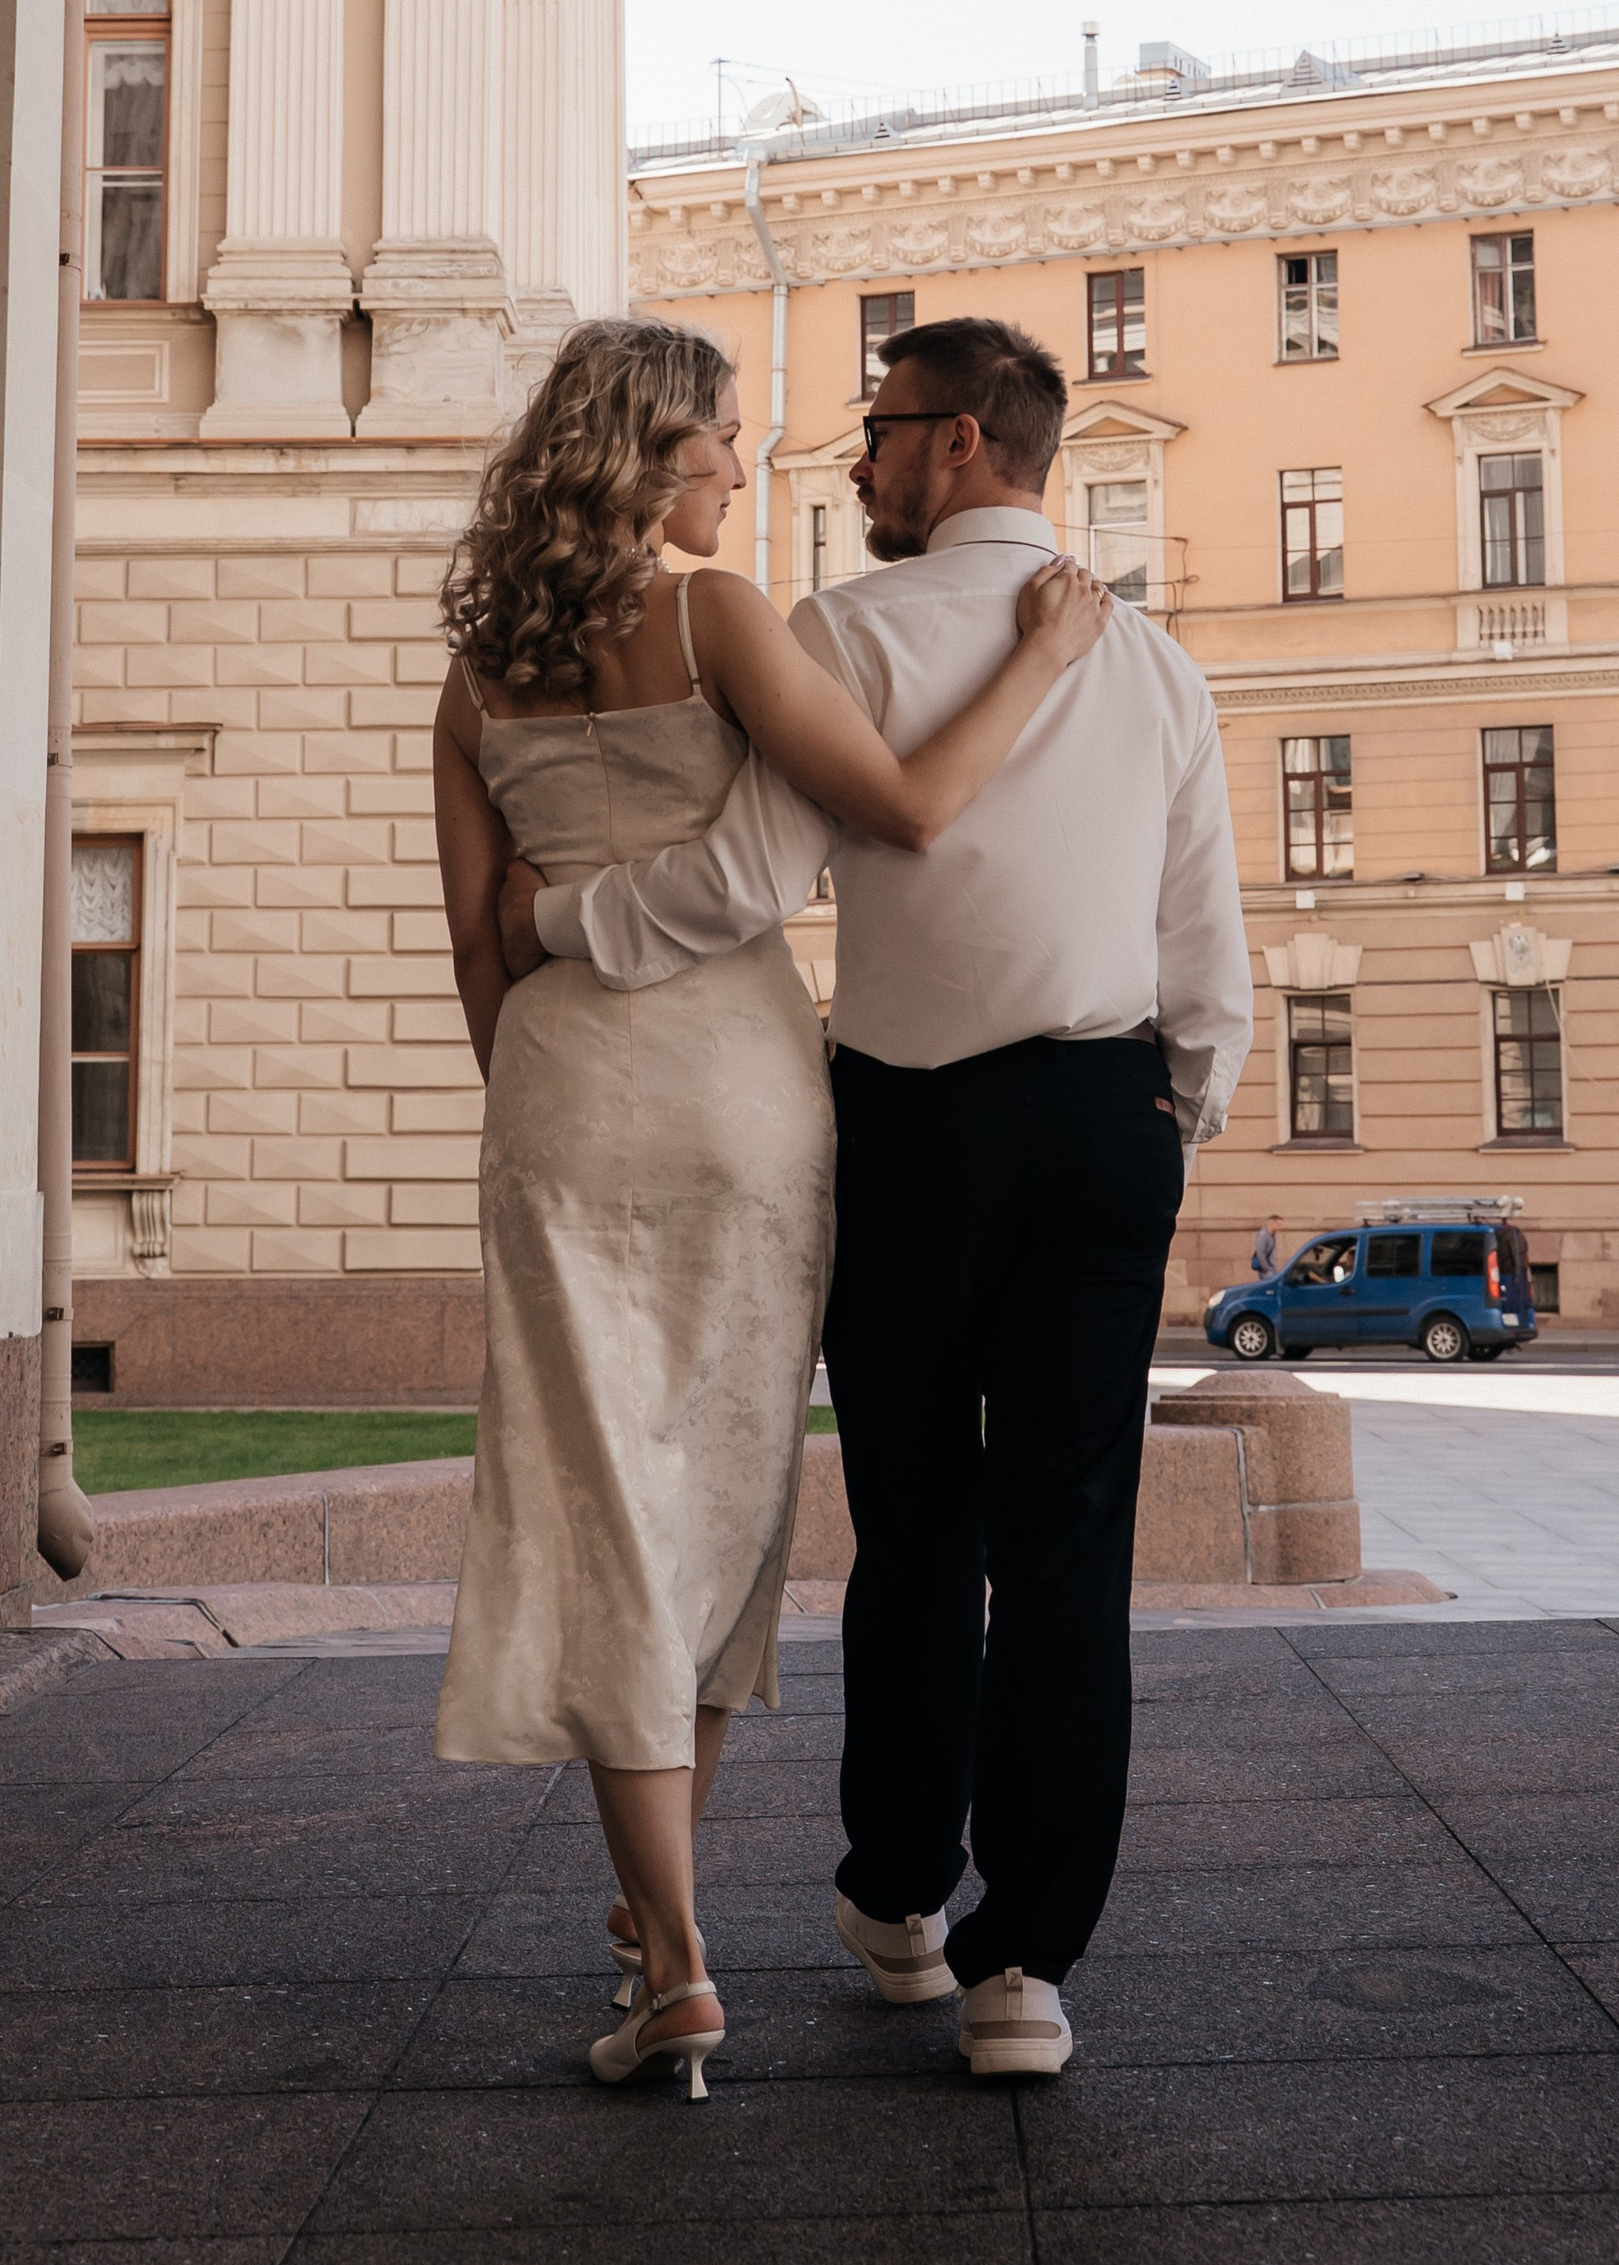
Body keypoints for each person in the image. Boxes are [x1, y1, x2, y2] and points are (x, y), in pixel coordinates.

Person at [501, 311, 1251, 2083]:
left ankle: (903, 1899)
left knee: (918, 1529)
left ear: (966, 443)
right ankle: (1027, 1976)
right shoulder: (1150, 659)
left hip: (907, 1126)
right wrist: (1173, 1112)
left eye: (882, 428)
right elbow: (1203, 930)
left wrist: (555, 931)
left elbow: (741, 878)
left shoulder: (839, 630)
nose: (853, 458)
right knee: (1073, 1548)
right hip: (1104, 1115)